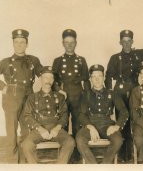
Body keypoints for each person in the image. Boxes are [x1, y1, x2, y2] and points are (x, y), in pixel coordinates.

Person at [0, 29, 43, 163]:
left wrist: (57, 88)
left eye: (22, 42)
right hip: (12, 98)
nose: (19, 45)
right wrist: (3, 86)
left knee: (26, 131)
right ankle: (12, 163)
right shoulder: (5, 62)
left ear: (27, 44)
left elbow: (45, 75)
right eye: (16, 42)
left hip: (29, 96)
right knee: (11, 132)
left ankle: (24, 161)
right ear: (13, 44)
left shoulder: (33, 60)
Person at [105, 29, 143, 162]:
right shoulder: (115, 58)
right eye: (124, 41)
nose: (126, 44)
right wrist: (109, 95)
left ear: (132, 42)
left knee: (137, 119)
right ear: (120, 42)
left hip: (135, 91)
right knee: (123, 121)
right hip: (120, 91)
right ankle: (124, 154)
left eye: (129, 41)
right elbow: (108, 76)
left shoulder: (138, 55)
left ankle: (138, 151)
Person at [76, 64, 128, 164]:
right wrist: (90, 127)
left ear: (103, 77)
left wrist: (117, 126)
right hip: (90, 124)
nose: (97, 79)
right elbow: (81, 114)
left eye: (99, 76)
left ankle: (105, 165)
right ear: (90, 79)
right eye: (94, 77)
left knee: (118, 140)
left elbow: (124, 111)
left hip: (107, 125)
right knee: (79, 139)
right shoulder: (85, 94)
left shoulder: (112, 93)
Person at [22, 66, 75, 164]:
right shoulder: (32, 97)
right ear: (41, 79)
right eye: (46, 77)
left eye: (51, 78)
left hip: (56, 129)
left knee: (70, 142)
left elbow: (64, 115)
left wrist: (57, 128)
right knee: (26, 145)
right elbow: (27, 116)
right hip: (39, 129)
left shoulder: (60, 97)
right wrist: (40, 128)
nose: (48, 80)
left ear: (54, 80)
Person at [52, 29, 90, 162]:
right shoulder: (57, 61)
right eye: (66, 42)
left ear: (76, 43)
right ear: (63, 43)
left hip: (78, 97)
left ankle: (76, 155)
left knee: (77, 125)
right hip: (63, 97)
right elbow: (53, 80)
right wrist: (58, 90)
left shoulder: (81, 60)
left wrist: (87, 97)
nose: (69, 45)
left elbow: (86, 80)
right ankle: (65, 154)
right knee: (62, 124)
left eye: (72, 42)